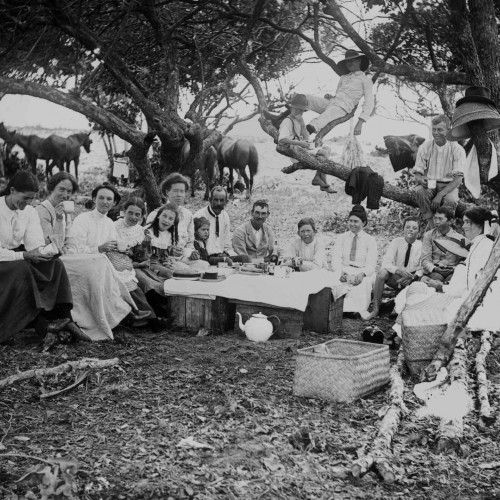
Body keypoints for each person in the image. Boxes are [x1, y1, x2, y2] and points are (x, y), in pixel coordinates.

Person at [0, 171, 81, 344]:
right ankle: (40, 325)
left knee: (55, 264)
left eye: (31, 199)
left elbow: (33, 243)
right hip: (4, 259)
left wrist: (45, 252)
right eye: (25, 198)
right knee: (22, 268)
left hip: (19, 255)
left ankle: (66, 319)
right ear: (12, 190)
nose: (28, 203)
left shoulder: (29, 212)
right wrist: (24, 255)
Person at [68, 183, 150, 338]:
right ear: (94, 199)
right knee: (108, 273)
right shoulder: (83, 219)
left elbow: (112, 246)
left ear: (114, 203)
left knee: (122, 273)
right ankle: (128, 313)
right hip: (80, 262)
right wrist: (99, 249)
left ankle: (128, 313)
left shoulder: (108, 223)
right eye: (101, 198)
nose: (105, 202)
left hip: (101, 262)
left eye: (109, 199)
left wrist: (122, 251)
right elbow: (75, 250)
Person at [113, 197, 170, 331]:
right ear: (124, 212)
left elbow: (145, 256)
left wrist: (142, 255)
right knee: (144, 281)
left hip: (139, 265)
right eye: (130, 213)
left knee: (157, 282)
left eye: (137, 214)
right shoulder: (114, 227)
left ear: (142, 216)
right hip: (120, 265)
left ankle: (158, 315)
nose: (133, 217)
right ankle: (153, 321)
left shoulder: (141, 231)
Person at [276, 94, 335, 193]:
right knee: (324, 153)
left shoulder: (298, 120)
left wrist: (302, 124)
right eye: (298, 109)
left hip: (301, 148)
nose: (300, 112)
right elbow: (281, 139)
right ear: (292, 108)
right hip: (295, 152)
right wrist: (300, 143)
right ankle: (324, 182)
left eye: (302, 110)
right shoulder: (287, 121)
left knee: (327, 149)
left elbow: (307, 137)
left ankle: (318, 178)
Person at [413, 115, 465, 228]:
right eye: (434, 129)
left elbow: (458, 179)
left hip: (449, 184)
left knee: (450, 200)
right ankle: (432, 227)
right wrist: (421, 179)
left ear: (448, 130)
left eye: (440, 130)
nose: (436, 133)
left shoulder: (457, 149)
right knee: (420, 192)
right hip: (431, 183)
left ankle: (445, 227)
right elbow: (417, 173)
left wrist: (440, 194)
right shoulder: (425, 147)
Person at [365, 216, 422, 320]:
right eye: (408, 227)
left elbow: (423, 267)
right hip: (396, 276)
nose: (411, 230)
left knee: (397, 312)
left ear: (419, 231)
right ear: (403, 229)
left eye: (414, 228)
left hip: (411, 280)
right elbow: (386, 262)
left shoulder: (421, 246)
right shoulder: (396, 242)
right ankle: (375, 309)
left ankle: (399, 310)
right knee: (381, 273)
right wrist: (398, 270)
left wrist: (412, 277)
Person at [331, 204, 377, 317]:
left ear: (364, 223)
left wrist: (363, 274)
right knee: (336, 282)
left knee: (362, 285)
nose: (352, 224)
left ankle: (355, 311)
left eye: (356, 221)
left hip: (362, 271)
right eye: (350, 221)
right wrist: (339, 272)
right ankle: (339, 309)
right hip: (344, 270)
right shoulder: (341, 238)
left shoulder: (370, 240)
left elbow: (371, 264)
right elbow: (335, 258)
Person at [193, 186, 251, 264]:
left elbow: (227, 243)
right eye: (216, 200)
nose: (218, 203)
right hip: (207, 258)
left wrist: (233, 257)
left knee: (245, 259)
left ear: (226, 202)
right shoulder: (200, 215)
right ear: (210, 200)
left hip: (222, 255)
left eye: (221, 200)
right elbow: (194, 241)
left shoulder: (225, 216)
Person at [145, 173, 196, 258]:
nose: (179, 195)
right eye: (175, 191)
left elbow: (190, 242)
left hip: (183, 258)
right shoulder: (156, 214)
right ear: (167, 192)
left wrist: (192, 253)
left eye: (182, 191)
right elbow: (147, 243)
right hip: (161, 259)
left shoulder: (188, 215)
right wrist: (168, 250)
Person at [420, 206, 465, 286]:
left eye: (440, 219)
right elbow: (425, 259)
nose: (436, 222)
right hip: (434, 270)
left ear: (450, 221)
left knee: (451, 281)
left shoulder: (460, 238)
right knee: (436, 279)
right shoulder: (429, 235)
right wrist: (435, 268)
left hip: (452, 271)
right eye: (435, 218)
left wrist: (454, 269)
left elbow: (463, 260)